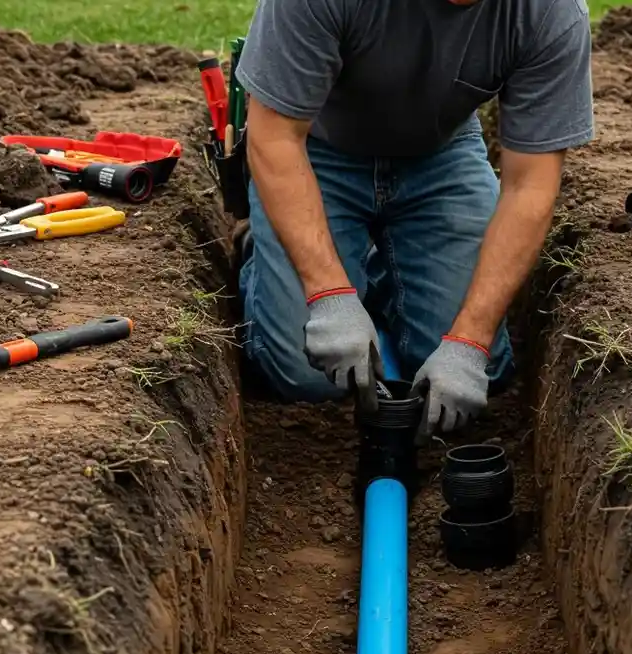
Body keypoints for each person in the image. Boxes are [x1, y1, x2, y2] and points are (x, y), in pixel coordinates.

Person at [235, 0, 594, 437]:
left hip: (440, 158)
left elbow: (529, 186)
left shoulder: (548, 13)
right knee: (304, 374)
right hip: (316, 151)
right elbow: (273, 137)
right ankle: (264, 253)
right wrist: (328, 294)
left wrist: (470, 341)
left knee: (484, 370)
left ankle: (379, 274)